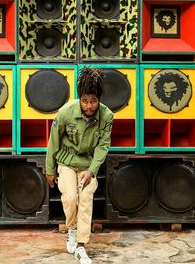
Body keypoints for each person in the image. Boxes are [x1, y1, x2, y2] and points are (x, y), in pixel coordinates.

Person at [45, 67, 114, 264]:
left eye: (93, 101)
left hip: (87, 164)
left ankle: (81, 246)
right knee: (70, 197)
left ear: (99, 99)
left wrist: (91, 171)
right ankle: (72, 230)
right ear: (79, 98)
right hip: (66, 161)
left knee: (85, 198)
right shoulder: (66, 112)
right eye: (85, 100)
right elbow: (53, 141)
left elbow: (103, 146)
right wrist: (50, 169)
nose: (89, 106)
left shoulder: (107, 116)